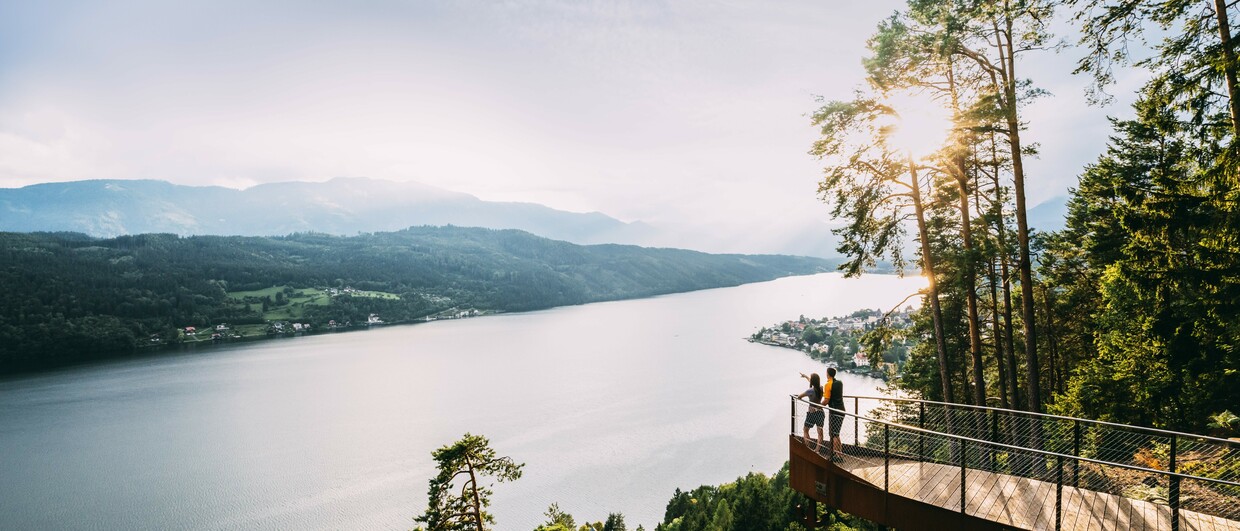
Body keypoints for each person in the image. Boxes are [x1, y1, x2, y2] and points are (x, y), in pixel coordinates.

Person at [797, 372, 825, 452]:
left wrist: (801, 398)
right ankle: (817, 450)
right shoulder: (821, 388)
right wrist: (805, 376)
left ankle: (808, 448)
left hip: (811, 413)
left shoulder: (810, 391)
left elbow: (799, 396)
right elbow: (813, 383)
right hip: (820, 412)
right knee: (820, 432)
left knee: (805, 430)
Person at [825, 367, 845, 461]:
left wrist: (817, 406)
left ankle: (836, 456)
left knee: (833, 434)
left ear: (828, 374)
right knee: (836, 434)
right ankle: (839, 454)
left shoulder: (828, 384)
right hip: (841, 410)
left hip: (834, 412)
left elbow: (826, 400)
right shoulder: (840, 383)